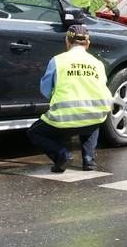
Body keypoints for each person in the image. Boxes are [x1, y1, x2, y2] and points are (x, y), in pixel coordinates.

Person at [27, 24, 112, 172]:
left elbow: (45, 90)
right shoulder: (97, 63)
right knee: (92, 120)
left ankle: (61, 155)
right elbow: (101, 85)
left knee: (34, 132)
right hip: (93, 119)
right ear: (87, 44)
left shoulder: (58, 61)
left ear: (67, 42)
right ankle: (88, 159)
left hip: (62, 121)